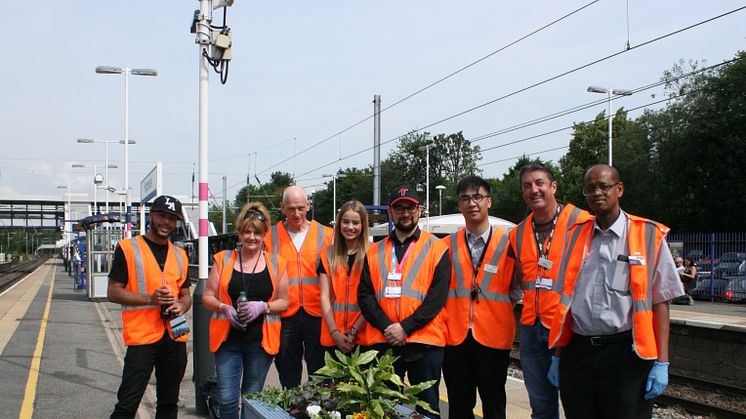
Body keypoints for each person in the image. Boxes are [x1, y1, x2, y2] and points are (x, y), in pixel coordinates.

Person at [548, 164, 685, 419]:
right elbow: (565, 304)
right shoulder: (574, 236)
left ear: (619, 189)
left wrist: (662, 362)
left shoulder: (648, 235)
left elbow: (660, 302)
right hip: (578, 354)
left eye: (604, 186)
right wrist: (559, 354)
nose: (597, 193)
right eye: (590, 188)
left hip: (625, 355)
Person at [358, 185, 450, 417]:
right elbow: (365, 295)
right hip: (383, 340)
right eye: (399, 208)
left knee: (427, 408)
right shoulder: (374, 251)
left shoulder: (437, 248)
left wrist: (405, 327)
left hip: (424, 342)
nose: (405, 213)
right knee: (385, 408)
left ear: (420, 210)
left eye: (410, 207)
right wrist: (389, 328)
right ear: (390, 212)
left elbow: (436, 298)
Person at [508, 164, 590, 419]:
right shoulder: (518, 233)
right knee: (541, 406)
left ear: (553, 186)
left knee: (578, 404)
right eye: (527, 185)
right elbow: (522, 279)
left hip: (571, 327)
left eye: (540, 183)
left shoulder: (583, 222)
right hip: (532, 329)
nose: (534, 190)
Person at [202, 202, 290, 418]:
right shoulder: (223, 259)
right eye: (247, 231)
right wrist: (225, 308)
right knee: (227, 398)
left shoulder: (277, 263)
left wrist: (263, 307)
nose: (252, 237)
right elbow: (207, 297)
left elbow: (285, 301)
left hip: (260, 343)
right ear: (239, 233)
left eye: (257, 233)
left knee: (251, 399)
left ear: (264, 235)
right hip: (228, 340)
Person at [108, 195, 192, 419]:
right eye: (162, 216)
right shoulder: (128, 249)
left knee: (169, 404)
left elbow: (186, 296)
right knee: (127, 404)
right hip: (142, 338)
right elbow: (113, 292)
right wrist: (150, 300)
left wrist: (180, 306)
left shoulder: (180, 255)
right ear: (151, 216)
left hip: (174, 338)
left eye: (172, 218)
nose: (167, 222)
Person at [442, 176, 517, 419]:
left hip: (494, 340)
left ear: (489, 202)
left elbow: (517, 289)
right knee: (459, 406)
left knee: (495, 406)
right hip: (456, 340)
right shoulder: (445, 246)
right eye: (465, 198)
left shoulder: (509, 244)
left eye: (478, 197)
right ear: (459, 205)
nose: (472, 203)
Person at [265, 185, 333, 388]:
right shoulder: (270, 237)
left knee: (321, 373)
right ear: (282, 207)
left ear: (309, 206)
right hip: (285, 315)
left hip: (319, 314)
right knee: (287, 371)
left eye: (301, 208)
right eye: (291, 208)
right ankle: (290, 410)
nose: (296, 214)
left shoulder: (327, 235)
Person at [318, 200, 372, 355]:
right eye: (345, 222)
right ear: (339, 223)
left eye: (355, 223)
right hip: (333, 336)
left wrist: (354, 331)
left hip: (363, 337)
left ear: (363, 226)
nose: (350, 227)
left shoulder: (374, 254)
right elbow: (324, 297)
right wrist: (334, 332)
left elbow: (374, 298)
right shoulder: (327, 254)